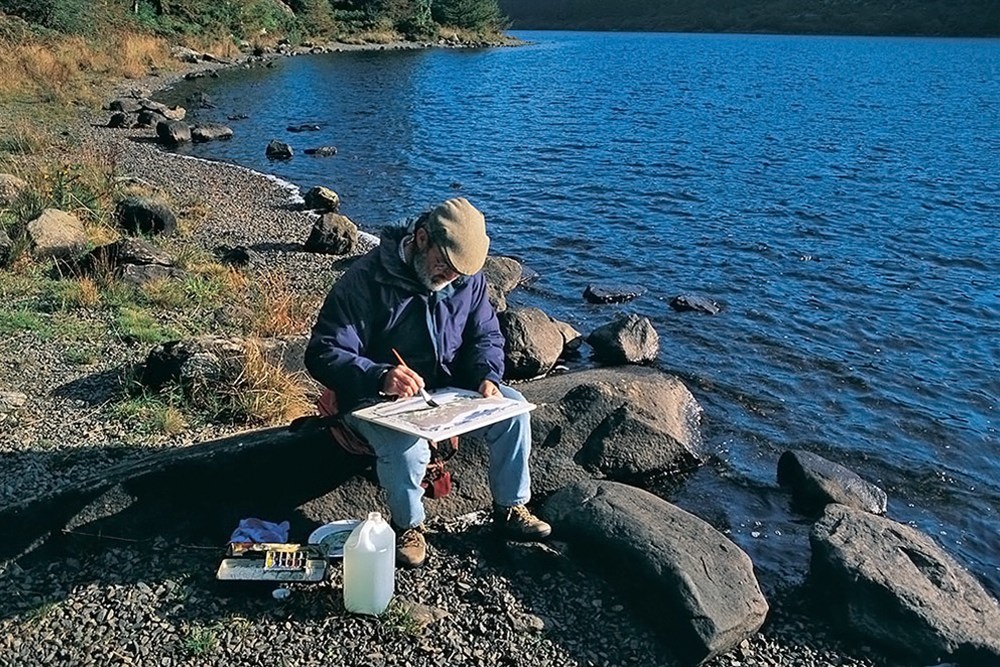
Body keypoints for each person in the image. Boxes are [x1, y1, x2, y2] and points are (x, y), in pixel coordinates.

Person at [304, 197, 551, 568]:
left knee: (513, 411)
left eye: (458, 272)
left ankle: (511, 508)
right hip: (372, 397)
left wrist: (487, 375)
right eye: (443, 265)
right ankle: (408, 527)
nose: (449, 277)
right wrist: (380, 375)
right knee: (407, 446)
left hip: (443, 392)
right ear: (422, 239)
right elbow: (323, 351)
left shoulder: (468, 279)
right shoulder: (366, 279)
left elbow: (485, 335)